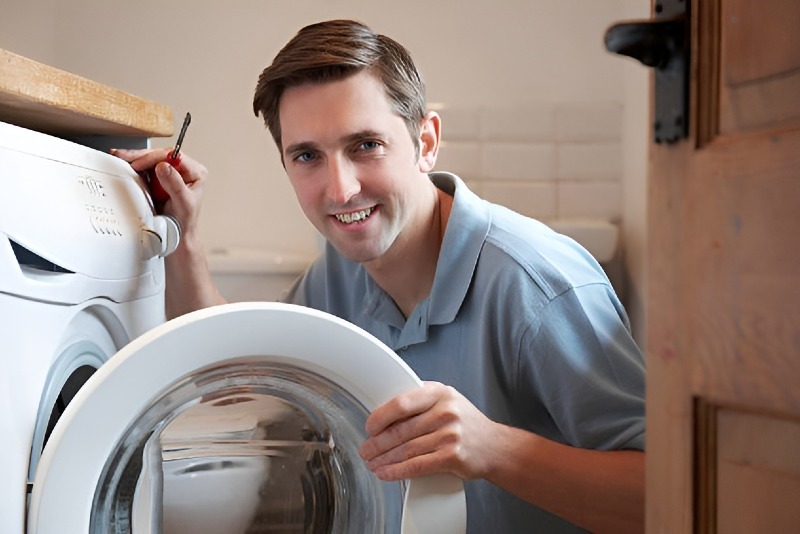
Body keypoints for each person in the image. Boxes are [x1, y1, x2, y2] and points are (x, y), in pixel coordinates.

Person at [113, 19, 645, 534]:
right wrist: (183, 235)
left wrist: (492, 448)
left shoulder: (536, 285)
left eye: (365, 145)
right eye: (307, 156)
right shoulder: (341, 270)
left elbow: (669, 499)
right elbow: (244, 382)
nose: (341, 189)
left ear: (426, 142)